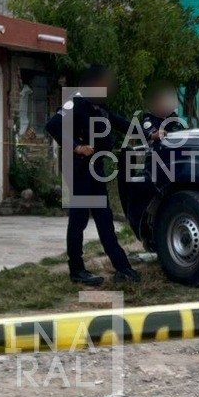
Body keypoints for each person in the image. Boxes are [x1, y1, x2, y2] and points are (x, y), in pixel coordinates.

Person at [46, 64, 151, 287]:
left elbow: (123, 123)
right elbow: (53, 125)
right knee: (79, 221)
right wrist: (76, 147)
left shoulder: (99, 107)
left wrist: (151, 134)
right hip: (81, 170)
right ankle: (77, 270)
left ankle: (123, 268)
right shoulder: (74, 101)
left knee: (105, 221)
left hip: (96, 171)